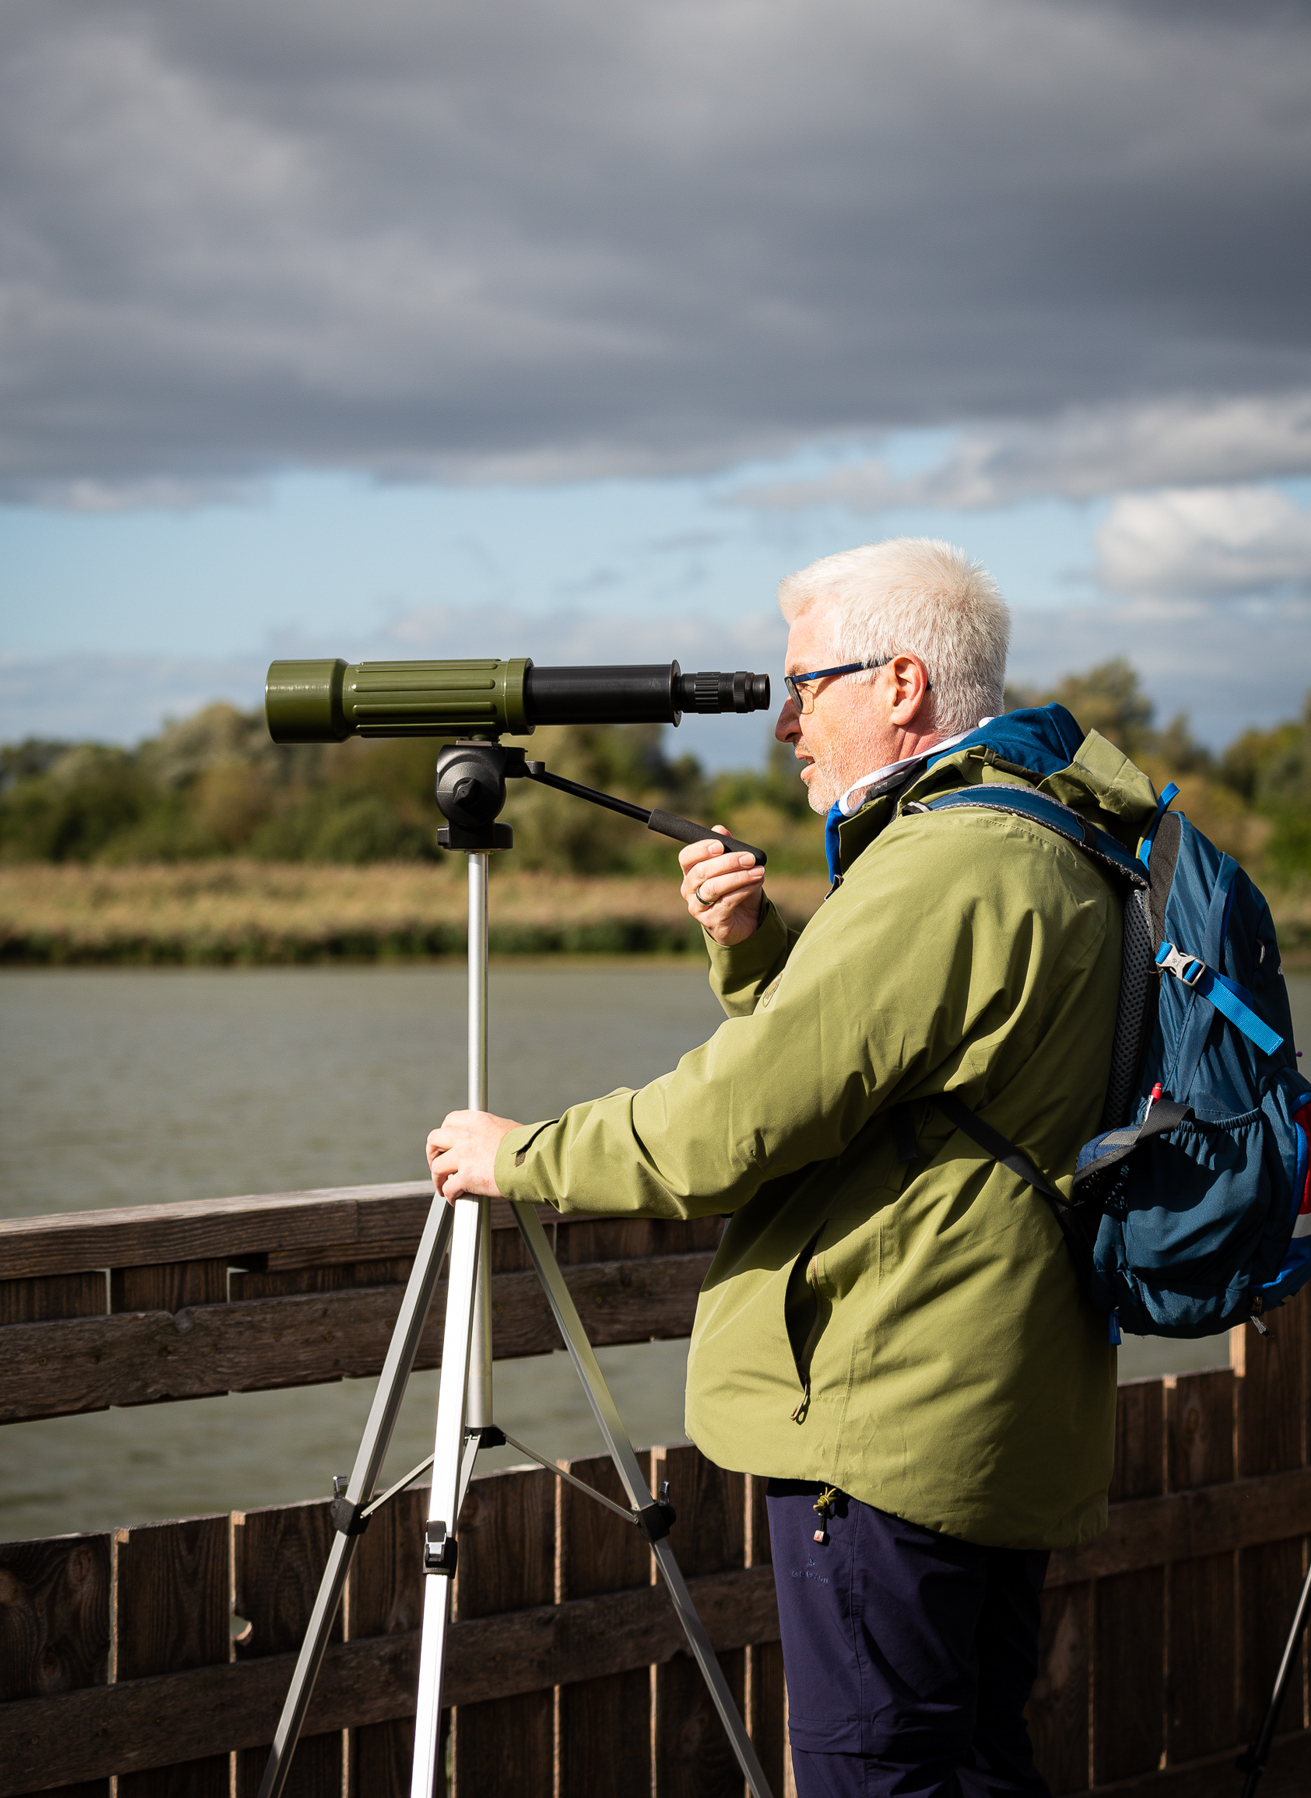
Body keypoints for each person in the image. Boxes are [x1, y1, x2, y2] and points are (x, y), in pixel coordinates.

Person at [427, 537, 1158, 1797]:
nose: (783, 724)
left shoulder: (943, 863)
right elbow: (914, 1090)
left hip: (892, 1414)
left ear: (902, 685)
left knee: (881, 1776)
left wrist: (524, 1156)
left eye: (806, 684)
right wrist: (758, 952)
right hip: (997, 1401)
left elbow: (733, 1125)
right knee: (974, 1764)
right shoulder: (1050, 840)